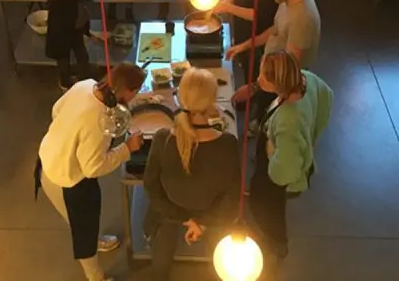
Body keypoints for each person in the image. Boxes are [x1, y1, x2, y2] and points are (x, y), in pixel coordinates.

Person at [36, 63, 146, 281]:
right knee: (83, 230)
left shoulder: (86, 85)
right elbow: (93, 167)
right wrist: (127, 149)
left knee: (85, 224)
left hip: (47, 157)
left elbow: (56, 110)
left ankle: (96, 240)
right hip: (66, 180)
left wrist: (69, 136)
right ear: (128, 91)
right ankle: (96, 277)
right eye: (137, 91)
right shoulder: (98, 120)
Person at [143, 68, 241, 281]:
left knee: (160, 264)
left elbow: (151, 186)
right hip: (213, 215)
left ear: (181, 99)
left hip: (169, 213)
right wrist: (202, 223)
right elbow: (232, 197)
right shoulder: (228, 144)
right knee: (224, 268)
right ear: (212, 103)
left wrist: (186, 220)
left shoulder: (162, 139)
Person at [249, 51, 333, 259]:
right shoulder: (305, 78)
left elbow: (283, 172)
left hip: (276, 171)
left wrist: (271, 152)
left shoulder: (288, 120)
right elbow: (326, 94)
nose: (259, 79)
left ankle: (276, 241)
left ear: (279, 83)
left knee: (267, 206)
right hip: (282, 150)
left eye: (264, 77)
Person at [228, 0, 321, 134]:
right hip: (271, 71)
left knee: (273, 122)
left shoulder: (302, 18)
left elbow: (287, 68)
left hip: (281, 82)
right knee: (262, 107)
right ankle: (259, 121)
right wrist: (244, 46)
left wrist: (254, 87)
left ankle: (263, 131)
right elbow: (275, 29)